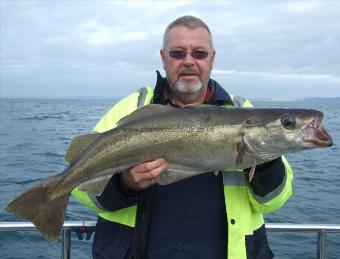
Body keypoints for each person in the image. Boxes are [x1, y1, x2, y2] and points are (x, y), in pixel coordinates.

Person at [72, 15, 293, 259]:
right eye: (178, 53)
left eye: (199, 53)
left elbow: (273, 201)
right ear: (163, 57)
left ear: (212, 59)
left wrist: (265, 162)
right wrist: (124, 185)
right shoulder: (131, 108)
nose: (189, 61)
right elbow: (80, 186)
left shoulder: (243, 111)